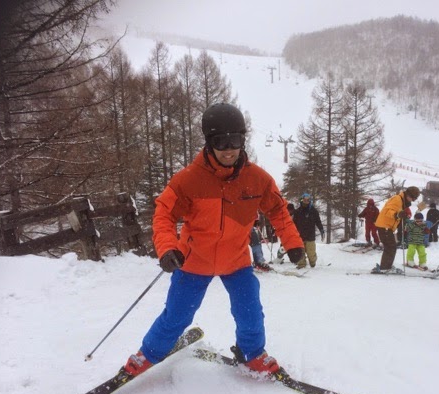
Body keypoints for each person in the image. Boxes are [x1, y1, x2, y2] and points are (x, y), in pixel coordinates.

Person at [123, 103, 304, 377]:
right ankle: (147, 355)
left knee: (250, 311)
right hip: (193, 261)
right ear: (209, 142)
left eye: (236, 141)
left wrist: (293, 243)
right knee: (177, 315)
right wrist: (167, 248)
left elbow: (278, 210)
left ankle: (252, 354)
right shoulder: (188, 180)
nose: (229, 149)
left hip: (236, 261)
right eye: (221, 142)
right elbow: (164, 214)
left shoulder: (257, 179)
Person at [373, 186, 421, 272]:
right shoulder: (397, 199)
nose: (412, 201)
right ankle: (385, 268)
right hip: (385, 226)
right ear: (409, 195)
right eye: (413, 198)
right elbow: (388, 211)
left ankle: (385, 266)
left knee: (390, 247)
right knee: (391, 247)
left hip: (386, 226)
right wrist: (397, 214)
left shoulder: (401, 201)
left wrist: (401, 216)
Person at [292, 193, 325, 269]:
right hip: (300, 235)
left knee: (311, 253)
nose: (306, 201)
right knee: (300, 252)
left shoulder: (314, 211)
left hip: (310, 236)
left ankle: (312, 262)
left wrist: (321, 230)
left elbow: (318, 222)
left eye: (308, 200)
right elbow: (293, 223)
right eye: (305, 200)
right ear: (301, 200)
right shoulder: (297, 211)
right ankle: (301, 264)